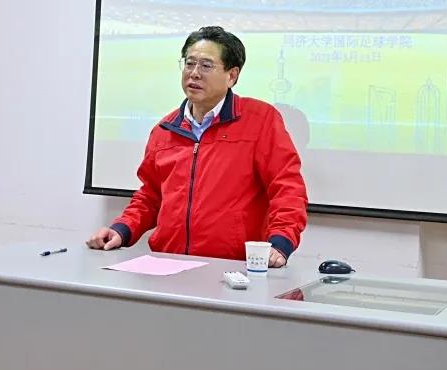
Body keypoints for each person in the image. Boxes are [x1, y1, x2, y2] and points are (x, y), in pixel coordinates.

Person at [87, 26, 307, 267]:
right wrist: (121, 230)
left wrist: (281, 242)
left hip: (233, 268)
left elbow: (287, 188)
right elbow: (151, 197)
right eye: (189, 63)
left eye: (206, 66)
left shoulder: (260, 120)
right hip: (169, 264)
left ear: (232, 75)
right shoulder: (165, 129)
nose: (194, 73)